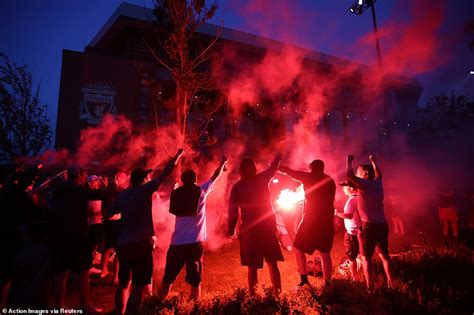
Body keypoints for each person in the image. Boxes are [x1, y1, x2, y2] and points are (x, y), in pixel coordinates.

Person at [113, 149, 184, 314]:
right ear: (143, 180)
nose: (148, 178)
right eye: (146, 177)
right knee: (138, 285)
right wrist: (177, 156)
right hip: (140, 245)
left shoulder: (122, 196)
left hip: (123, 245)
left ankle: (119, 312)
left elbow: (111, 214)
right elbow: (165, 173)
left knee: (124, 283)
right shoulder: (145, 190)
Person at [159, 156, 228, 300]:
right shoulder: (201, 191)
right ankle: (195, 304)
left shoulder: (177, 193)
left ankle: (159, 302)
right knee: (195, 278)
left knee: (169, 276)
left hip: (177, 242)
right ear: (195, 180)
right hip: (194, 243)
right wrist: (222, 163)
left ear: (183, 180)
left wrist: (176, 188)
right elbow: (215, 176)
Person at [49, 165, 104, 312]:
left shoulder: (58, 190)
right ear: (78, 175)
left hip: (60, 236)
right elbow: (99, 195)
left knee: (62, 272)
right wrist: (107, 187)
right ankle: (85, 307)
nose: (84, 178)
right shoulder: (77, 190)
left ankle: (59, 305)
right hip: (77, 237)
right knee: (83, 271)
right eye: (83, 175)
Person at [228, 154, 284, 295]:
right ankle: (278, 295)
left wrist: (230, 229)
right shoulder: (261, 179)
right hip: (266, 227)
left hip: (250, 230)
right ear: (253, 168)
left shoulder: (237, 187)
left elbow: (233, 211)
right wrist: (278, 156)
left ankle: (253, 299)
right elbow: (273, 169)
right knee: (272, 263)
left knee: (252, 267)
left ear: (240, 170)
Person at [279, 160, 336, 287]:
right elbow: (322, 198)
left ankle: (304, 280)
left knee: (298, 247)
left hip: (310, 220)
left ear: (312, 168)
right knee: (325, 252)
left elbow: (291, 173)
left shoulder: (309, 177)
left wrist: (277, 166)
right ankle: (328, 283)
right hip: (326, 220)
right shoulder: (330, 181)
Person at [346, 155, 394, 290]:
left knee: (366, 258)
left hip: (369, 226)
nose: (357, 173)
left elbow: (349, 175)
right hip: (382, 224)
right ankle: (391, 283)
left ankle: (370, 287)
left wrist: (349, 161)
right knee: (385, 256)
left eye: (359, 172)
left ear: (365, 175)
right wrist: (374, 161)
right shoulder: (378, 183)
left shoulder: (364, 184)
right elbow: (379, 174)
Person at [100, 171, 129, 283]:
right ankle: (116, 277)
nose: (126, 180)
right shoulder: (121, 191)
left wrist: (106, 216)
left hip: (107, 222)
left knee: (107, 247)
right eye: (124, 178)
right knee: (119, 249)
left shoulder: (106, 190)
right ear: (120, 178)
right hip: (117, 222)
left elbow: (104, 207)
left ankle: (103, 272)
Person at [335, 183, 361, 280]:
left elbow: (348, 215)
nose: (342, 189)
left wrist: (336, 213)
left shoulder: (351, 200)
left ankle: (354, 278)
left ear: (350, 188)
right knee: (360, 253)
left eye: (344, 187)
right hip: (359, 231)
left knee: (351, 257)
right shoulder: (359, 197)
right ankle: (359, 272)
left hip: (352, 233)